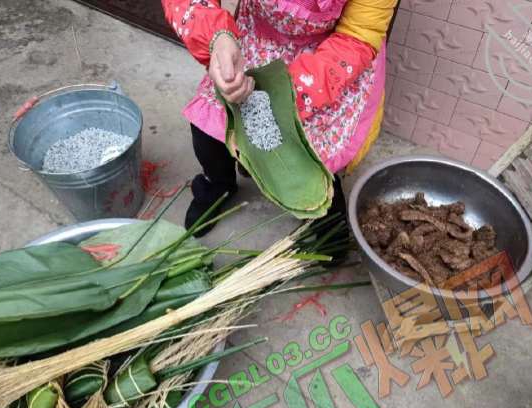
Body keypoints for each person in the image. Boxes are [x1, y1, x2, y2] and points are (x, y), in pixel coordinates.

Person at [162, 0, 396, 238]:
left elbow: (358, 36)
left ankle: (324, 214)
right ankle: (218, 185)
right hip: (257, 39)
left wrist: (284, 92)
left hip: (326, 62)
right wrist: (216, 37)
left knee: (309, 149)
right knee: (208, 131)